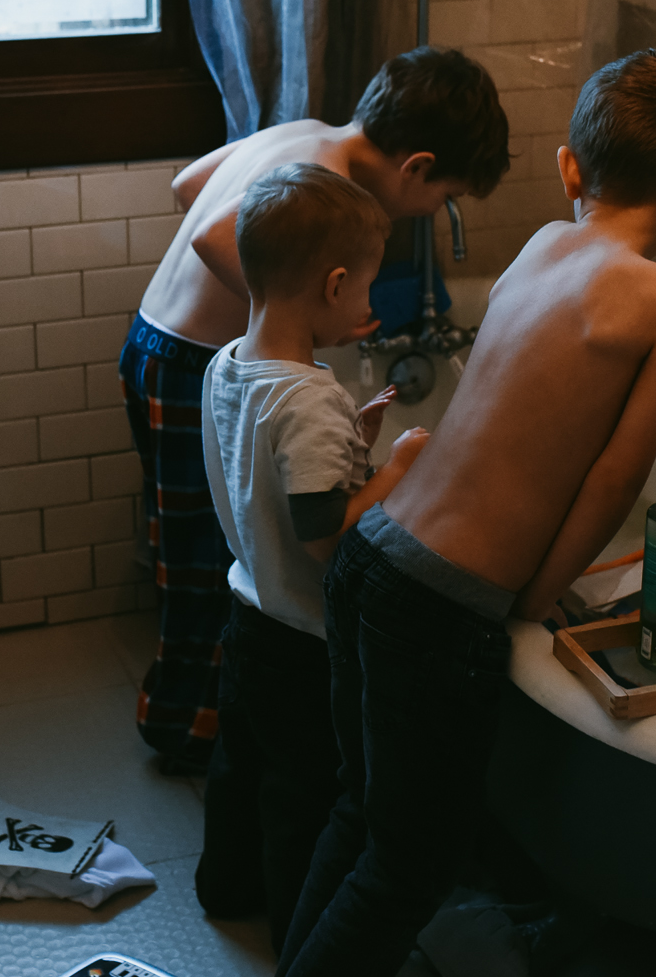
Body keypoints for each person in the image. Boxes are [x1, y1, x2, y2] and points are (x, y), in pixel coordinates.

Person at [277, 49, 656, 977]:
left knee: (362, 815)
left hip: (374, 552)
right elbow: (613, 478)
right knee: (409, 869)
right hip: (439, 605)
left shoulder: (539, 246)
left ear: (570, 168)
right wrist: (536, 595)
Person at [119, 48, 510, 772]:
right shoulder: (326, 181)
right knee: (212, 558)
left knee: (192, 546)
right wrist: (295, 311)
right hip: (185, 358)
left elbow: (189, 186)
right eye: (443, 198)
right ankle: (188, 727)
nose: (435, 215)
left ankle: (189, 712)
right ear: (416, 167)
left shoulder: (305, 134)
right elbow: (210, 235)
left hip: (153, 341)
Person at [192, 163, 432, 952]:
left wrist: (347, 446)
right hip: (303, 635)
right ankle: (298, 929)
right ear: (334, 286)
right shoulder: (310, 399)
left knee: (239, 764)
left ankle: (224, 886)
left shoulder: (229, 363)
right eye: (367, 287)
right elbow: (328, 537)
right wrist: (394, 469)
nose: (370, 303)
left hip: (247, 606)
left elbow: (266, 471)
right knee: (302, 791)